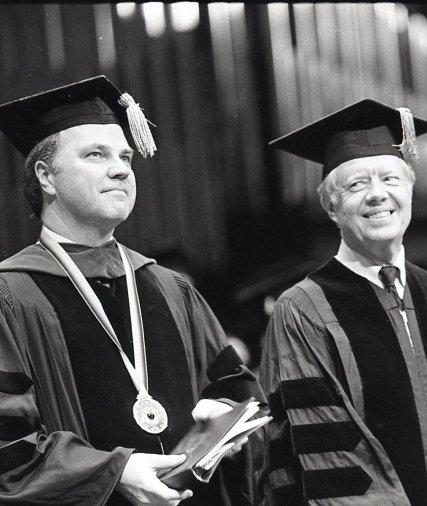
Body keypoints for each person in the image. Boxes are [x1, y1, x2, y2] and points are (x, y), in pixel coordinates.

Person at [257, 99, 427, 504]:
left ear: (409, 190)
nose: (377, 195)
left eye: (390, 179)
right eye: (356, 185)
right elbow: (327, 454)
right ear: (331, 207)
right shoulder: (303, 310)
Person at [0, 76, 259, 505]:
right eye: (95, 155)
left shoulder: (171, 288)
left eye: (125, 156)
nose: (121, 168)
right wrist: (114, 472)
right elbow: (8, 448)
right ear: (45, 176)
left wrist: (224, 420)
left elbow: (235, 388)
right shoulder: (11, 297)